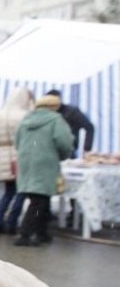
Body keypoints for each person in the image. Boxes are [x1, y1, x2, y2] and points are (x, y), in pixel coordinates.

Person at [13, 93, 74, 247]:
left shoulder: (25, 120)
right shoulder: (56, 120)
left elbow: (17, 141)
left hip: (26, 161)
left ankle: (42, 233)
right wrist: (64, 155)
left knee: (40, 198)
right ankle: (25, 234)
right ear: (54, 107)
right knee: (38, 201)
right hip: (46, 162)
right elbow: (64, 142)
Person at [0, 86, 34, 234]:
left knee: (8, 192)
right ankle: (11, 223)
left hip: (3, 155)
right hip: (21, 154)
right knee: (21, 191)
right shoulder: (26, 115)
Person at [46, 88, 95, 227]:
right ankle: (45, 213)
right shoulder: (44, 113)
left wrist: (87, 149)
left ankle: (74, 215)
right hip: (48, 152)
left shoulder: (71, 111)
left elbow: (89, 127)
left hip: (68, 153)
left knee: (73, 183)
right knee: (46, 183)